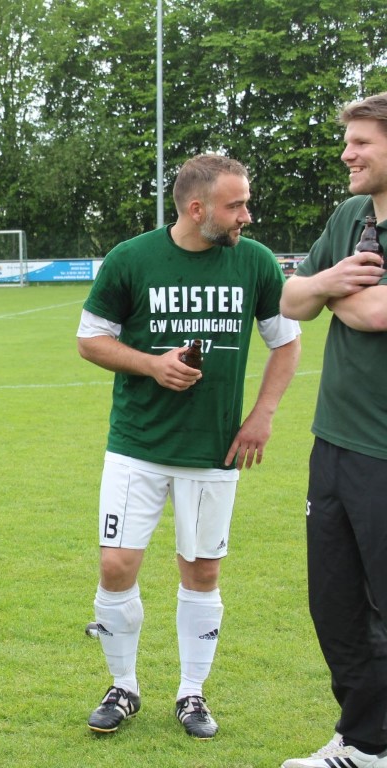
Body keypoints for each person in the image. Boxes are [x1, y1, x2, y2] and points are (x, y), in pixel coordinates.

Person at [76, 154, 301, 740]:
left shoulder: (255, 263)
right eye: (235, 205)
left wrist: (262, 415)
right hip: (137, 444)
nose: (246, 216)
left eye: (246, 203)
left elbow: (286, 341)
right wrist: (153, 365)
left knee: (202, 571)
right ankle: (123, 685)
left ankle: (192, 693)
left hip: (213, 450)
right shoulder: (131, 258)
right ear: (196, 209)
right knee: (115, 565)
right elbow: (91, 339)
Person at [278, 92, 387, 768]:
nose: (346, 154)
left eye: (361, 142)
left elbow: (374, 314)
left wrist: (329, 288)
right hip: (335, 443)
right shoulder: (350, 216)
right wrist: (334, 283)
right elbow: (290, 298)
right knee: (336, 604)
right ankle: (367, 743)